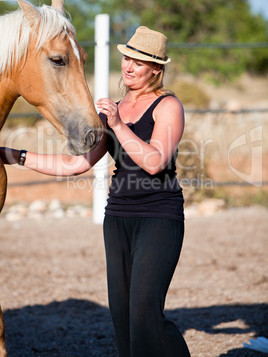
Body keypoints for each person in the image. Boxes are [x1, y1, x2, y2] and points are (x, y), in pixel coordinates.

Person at [0, 26, 190, 356]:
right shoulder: (113, 109)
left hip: (159, 217)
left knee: (145, 313)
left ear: (156, 70)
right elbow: (76, 165)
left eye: (139, 62)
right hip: (117, 217)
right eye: (127, 58)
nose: (129, 66)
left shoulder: (167, 106)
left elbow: (156, 161)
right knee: (123, 317)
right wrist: (17, 156)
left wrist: (116, 125)